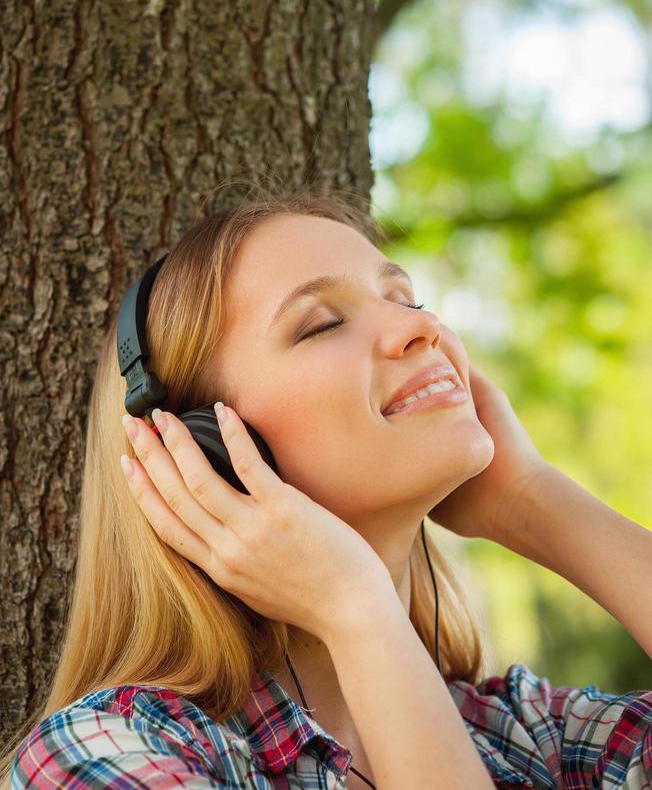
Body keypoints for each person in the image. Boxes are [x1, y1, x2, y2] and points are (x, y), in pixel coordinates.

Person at [3, 186, 651, 789]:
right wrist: (355, 606)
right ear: (204, 453)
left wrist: (534, 501)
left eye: (405, 299)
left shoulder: (520, 739)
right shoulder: (103, 753)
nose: (421, 329)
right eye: (321, 324)